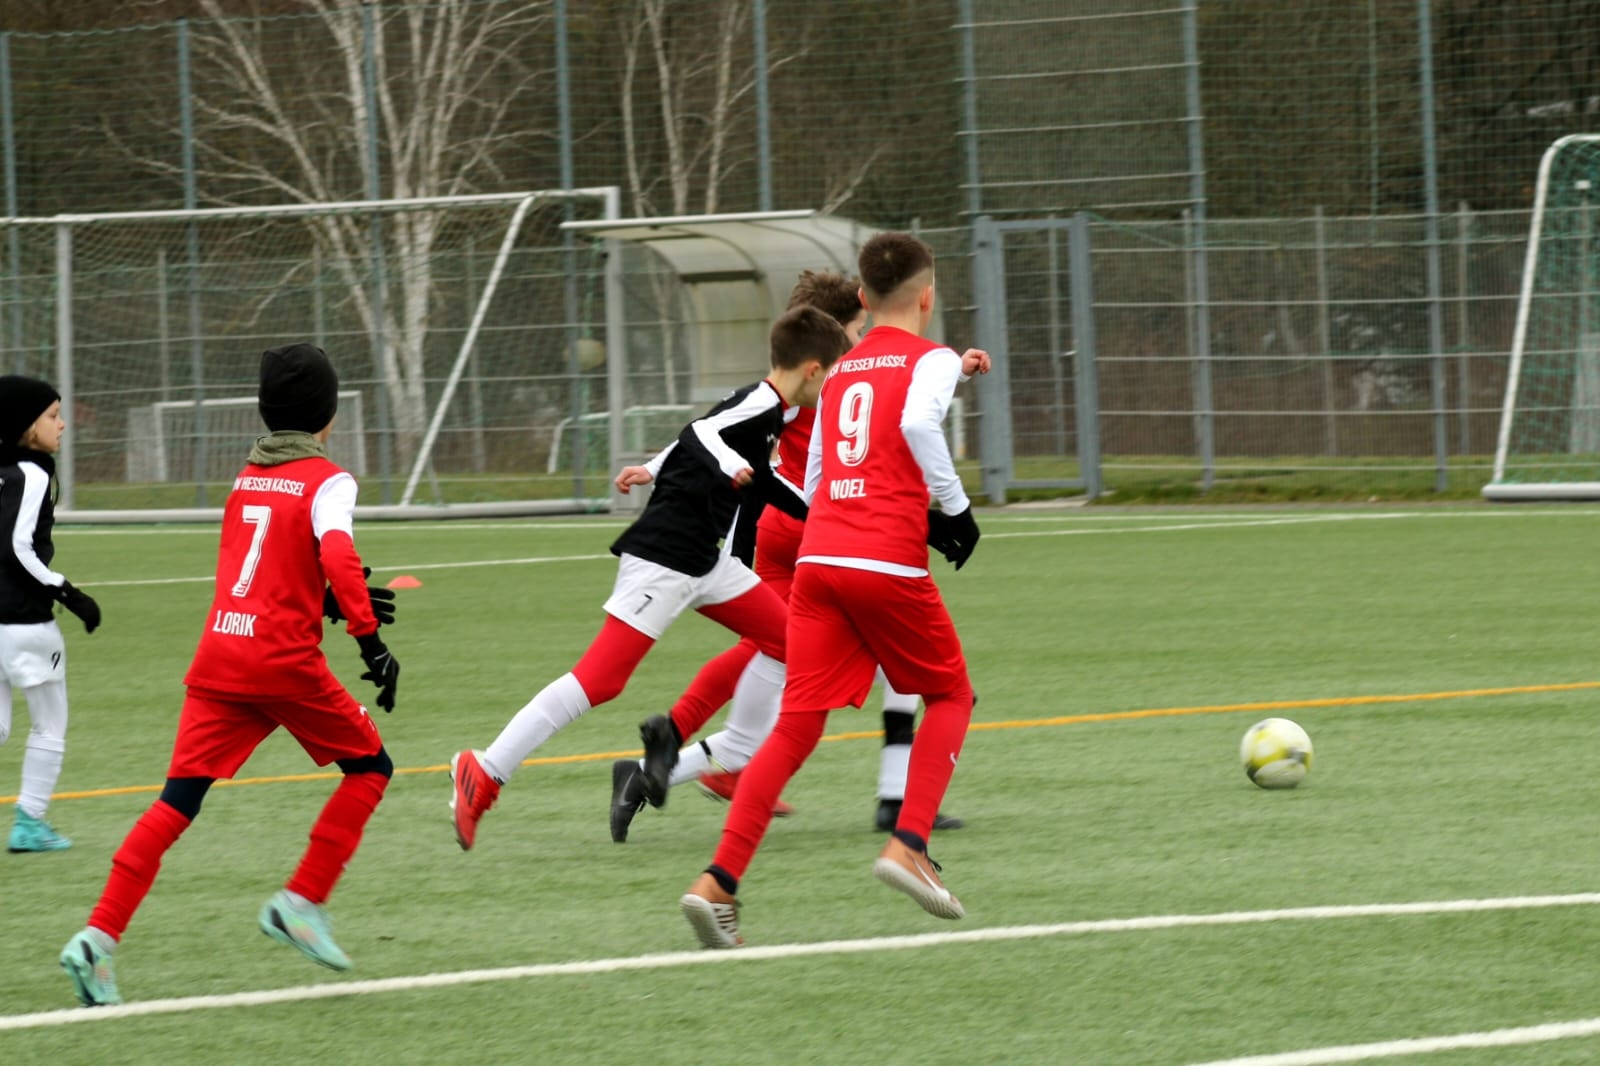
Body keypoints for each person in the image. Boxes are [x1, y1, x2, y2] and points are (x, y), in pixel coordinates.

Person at [59, 343, 401, 1007]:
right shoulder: (330, 479)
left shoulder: (249, 475)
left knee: (176, 801)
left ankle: (97, 939)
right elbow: (336, 552)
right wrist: (370, 642)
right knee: (370, 768)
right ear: (329, 413)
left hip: (222, 655)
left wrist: (328, 600)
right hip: (283, 663)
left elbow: (263, 569)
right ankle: (301, 901)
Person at [448, 305, 853, 851]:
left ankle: (704, 757)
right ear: (812, 369)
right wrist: (724, 466)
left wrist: (654, 467)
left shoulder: (765, 408)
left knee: (789, 641)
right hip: (664, 558)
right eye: (832, 375)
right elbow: (702, 431)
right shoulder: (761, 403)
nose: (831, 388)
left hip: (706, 561)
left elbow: (732, 454)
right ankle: (485, 770)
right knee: (600, 680)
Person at [680, 232, 986, 949]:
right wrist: (955, 510)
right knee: (951, 695)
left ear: (861, 299)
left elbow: (819, 470)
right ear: (928, 296)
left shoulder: (843, 369)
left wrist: (855, 520)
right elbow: (917, 420)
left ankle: (718, 883)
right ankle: (909, 843)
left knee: (796, 725)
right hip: (883, 561)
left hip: (819, 558)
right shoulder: (931, 357)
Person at [608, 270, 965, 842]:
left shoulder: (844, 373)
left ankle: (681, 759)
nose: (863, 337)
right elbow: (717, 426)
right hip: (815, 534)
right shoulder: (814, 383)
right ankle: (890, 800)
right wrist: (657, 465)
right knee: (852, 659)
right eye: (856, 328)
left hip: (813, 534)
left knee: (799, 659)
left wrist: (955, 368)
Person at [0, 377, 100, 853]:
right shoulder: (33, 474)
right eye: (52, 416)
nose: (61, 425)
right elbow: (17, 548)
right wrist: (69, 593)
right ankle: (30, 824)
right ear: (26, 427)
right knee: (49, 723)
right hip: (26, 626)